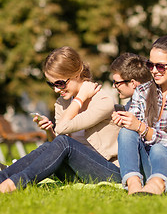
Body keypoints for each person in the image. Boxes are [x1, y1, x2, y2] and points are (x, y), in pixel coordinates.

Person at [0, 46, 121, 193]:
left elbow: (63, 132)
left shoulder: (102, 101)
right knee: (46, 147)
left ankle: (13, 184)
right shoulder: (62, 103)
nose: (57, 90)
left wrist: (81, 97)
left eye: (60, 83)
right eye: (51, 84)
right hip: (77, 170)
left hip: (109, 171)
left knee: (64, 143)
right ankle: (2, 178)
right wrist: (49, 131)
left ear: (77, 74)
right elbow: (58, 142)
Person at [112, 36, 167, 195]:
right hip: (146, 161)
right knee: (126, 132)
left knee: (158, 149)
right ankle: (133, 184)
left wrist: (141, 128)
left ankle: (157, 185)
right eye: (150, 65)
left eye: (160, 66)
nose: (154, 70)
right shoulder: (143, 91)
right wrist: (127, 122)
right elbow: (133, 129)